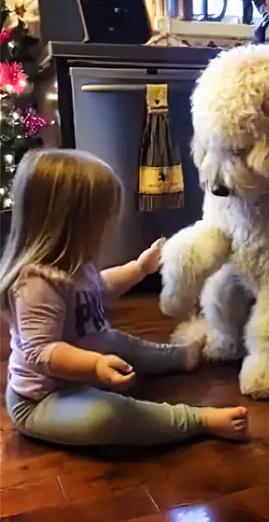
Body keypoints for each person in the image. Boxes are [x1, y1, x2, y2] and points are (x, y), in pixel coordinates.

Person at [0, 149, 248, 446]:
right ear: (70, 225)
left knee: (120, 341)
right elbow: (42, 351)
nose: (108, 227)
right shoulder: (35, 284)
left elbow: (100, 287)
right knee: (106, 416)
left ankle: (180, 356)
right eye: (102, 219)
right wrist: (94, 365)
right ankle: (196, 419)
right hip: (45, 398)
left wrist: (139, 268)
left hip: (91, 365)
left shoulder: (75, 265)